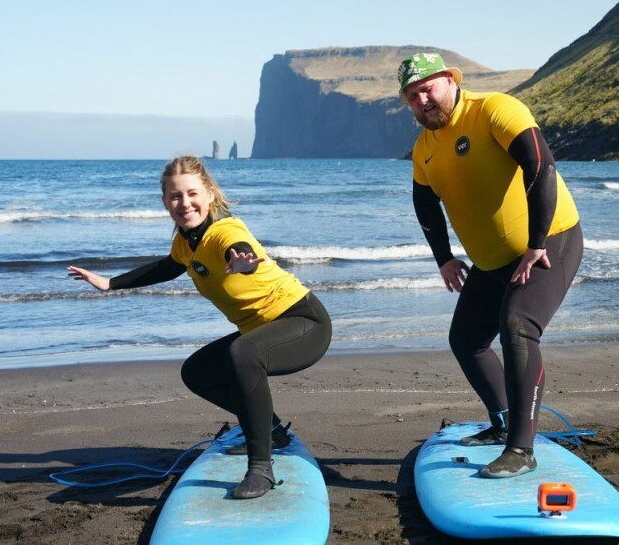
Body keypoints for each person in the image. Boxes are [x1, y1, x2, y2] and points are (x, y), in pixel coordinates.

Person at [67, 155, 332, 499]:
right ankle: (274, 431)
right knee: (198, 372)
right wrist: (110, 283)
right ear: (165, 202)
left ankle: (261, 469)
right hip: (262, 332)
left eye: (192, 193)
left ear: (209, 193)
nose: (184, 203)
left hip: (303, 322)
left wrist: (243, 262)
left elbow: (239, 249)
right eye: (175, 196)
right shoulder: (185, 242)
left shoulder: (225, 231)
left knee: (242, 354)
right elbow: (166, 267)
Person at [398, 52, 583, 478]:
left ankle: (522, 449)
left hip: (551, 241)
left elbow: (542, 167)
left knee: (518, 326)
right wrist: (444, 258)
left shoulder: (495, 110)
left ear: (449, 80)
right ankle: (502, 423)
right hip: (492, 262)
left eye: (428, 88)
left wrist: (536, 243)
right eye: (412, 96)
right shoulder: (424, 149)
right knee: (467, 339)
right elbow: (424, 204)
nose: (422, 100)